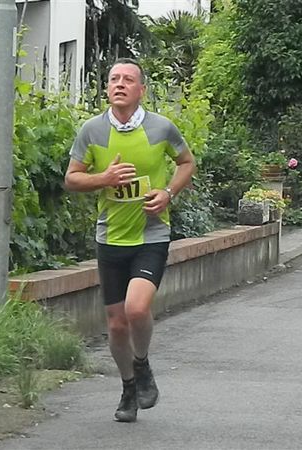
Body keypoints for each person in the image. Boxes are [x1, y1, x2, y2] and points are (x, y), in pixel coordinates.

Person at [64, 58, 195, 422]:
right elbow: (72, 179)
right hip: (110, 237)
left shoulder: (161, 128)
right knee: (116, 323)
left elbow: (186, 163)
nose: (119, 84)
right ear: (107, 88)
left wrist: (168, 192)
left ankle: (142, 365)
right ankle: (127, 388)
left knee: (136, 309)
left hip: (151, 233)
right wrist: (103, 178)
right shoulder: (91, 131)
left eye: (127, 79)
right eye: (113, 79)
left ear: (141, 90)